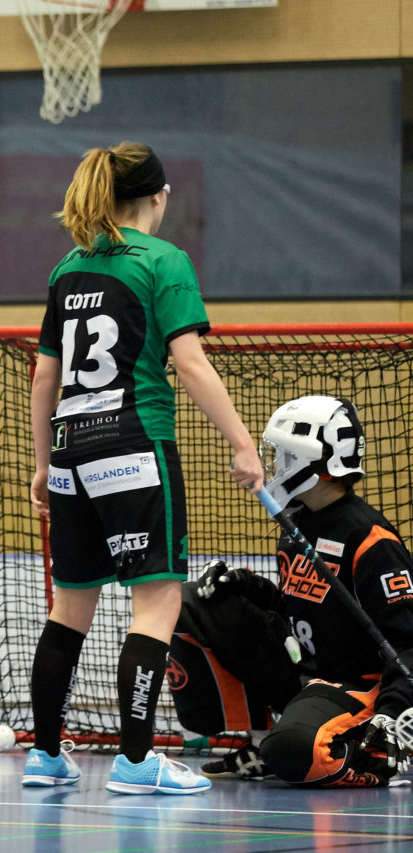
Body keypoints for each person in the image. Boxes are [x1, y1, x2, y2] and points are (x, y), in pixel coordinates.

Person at [22, 142, 263, 795]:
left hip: (71, 448)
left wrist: (44, 464)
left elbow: (45, 375)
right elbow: (190, 363)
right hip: (133, 443)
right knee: (155, 599)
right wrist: (242, 442)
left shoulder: (68, 266)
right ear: (158, 197)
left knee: (68, 605)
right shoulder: (164, 260)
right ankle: (134, 761)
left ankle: (44, 754)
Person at [169, 395, 413, 787]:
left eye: (281, 455)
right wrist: (245, 585)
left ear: (309, 461)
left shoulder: (370, 538)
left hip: (355, 684)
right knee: (188, 600)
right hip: (302, 670)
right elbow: (299, 607)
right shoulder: (297, 524)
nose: (273, 465)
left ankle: (370, 756)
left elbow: (407, 640)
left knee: (296, 754)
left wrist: (391, 710)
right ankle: (261, 739)